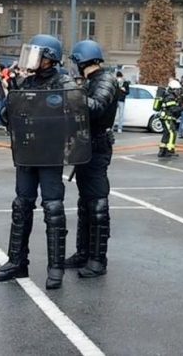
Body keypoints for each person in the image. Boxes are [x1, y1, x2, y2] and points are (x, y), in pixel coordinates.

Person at [0, 35, 78, 289]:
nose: (32, 59)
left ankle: (55, 267)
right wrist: (13, 96)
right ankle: (17, 261)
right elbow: (6, 117)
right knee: (21, 205)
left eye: (37, 55)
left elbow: (73, 116)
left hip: (50, 155)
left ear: (49, 58)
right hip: (28, 152)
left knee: (53, 209)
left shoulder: (64, 82)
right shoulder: (26, 82)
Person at [64, 39, 118, 278]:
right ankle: (83, 253)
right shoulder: (91, 81)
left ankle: (98, 259)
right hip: (87, 146)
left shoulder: (105, 79)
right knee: (85, 203)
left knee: (97, 203)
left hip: (97, 147)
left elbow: (96, 107)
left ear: (82, 60)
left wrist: (72, 94)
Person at [154, 79, 183, 158]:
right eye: (177, 90)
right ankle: (170, 150)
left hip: (165, 117)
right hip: (168, 118)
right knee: (172, 133)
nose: (178, 92)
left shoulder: (168, 95)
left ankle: (162, 150)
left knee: (166, 133)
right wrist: (182, 108)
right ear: (173, 89)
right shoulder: (170, 97)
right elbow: (173, 109)